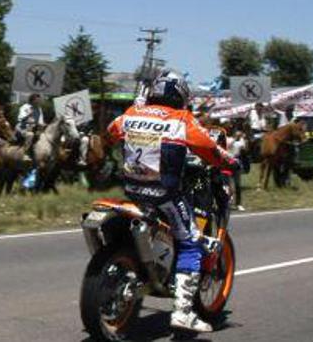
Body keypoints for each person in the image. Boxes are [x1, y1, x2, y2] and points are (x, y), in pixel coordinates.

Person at [105, 69, 236, 333]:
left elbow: (110, 132)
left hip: (132, 190)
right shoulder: (181, 119)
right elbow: (209, 149)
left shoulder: (132, 113)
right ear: (181, 95)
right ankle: (183, 312)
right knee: (191, 241)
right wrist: (230, 161)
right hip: (164, 194)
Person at [229, 131, 248, 211]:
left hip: (236, 164)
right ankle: (228, 202)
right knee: (228, 185)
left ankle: (238, 204)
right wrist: (235, 138)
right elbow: (229, 145)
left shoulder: (240, 142)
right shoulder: (228, 139)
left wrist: (243, 139)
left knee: (238, 185)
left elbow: (244, 148)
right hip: (227, 163)